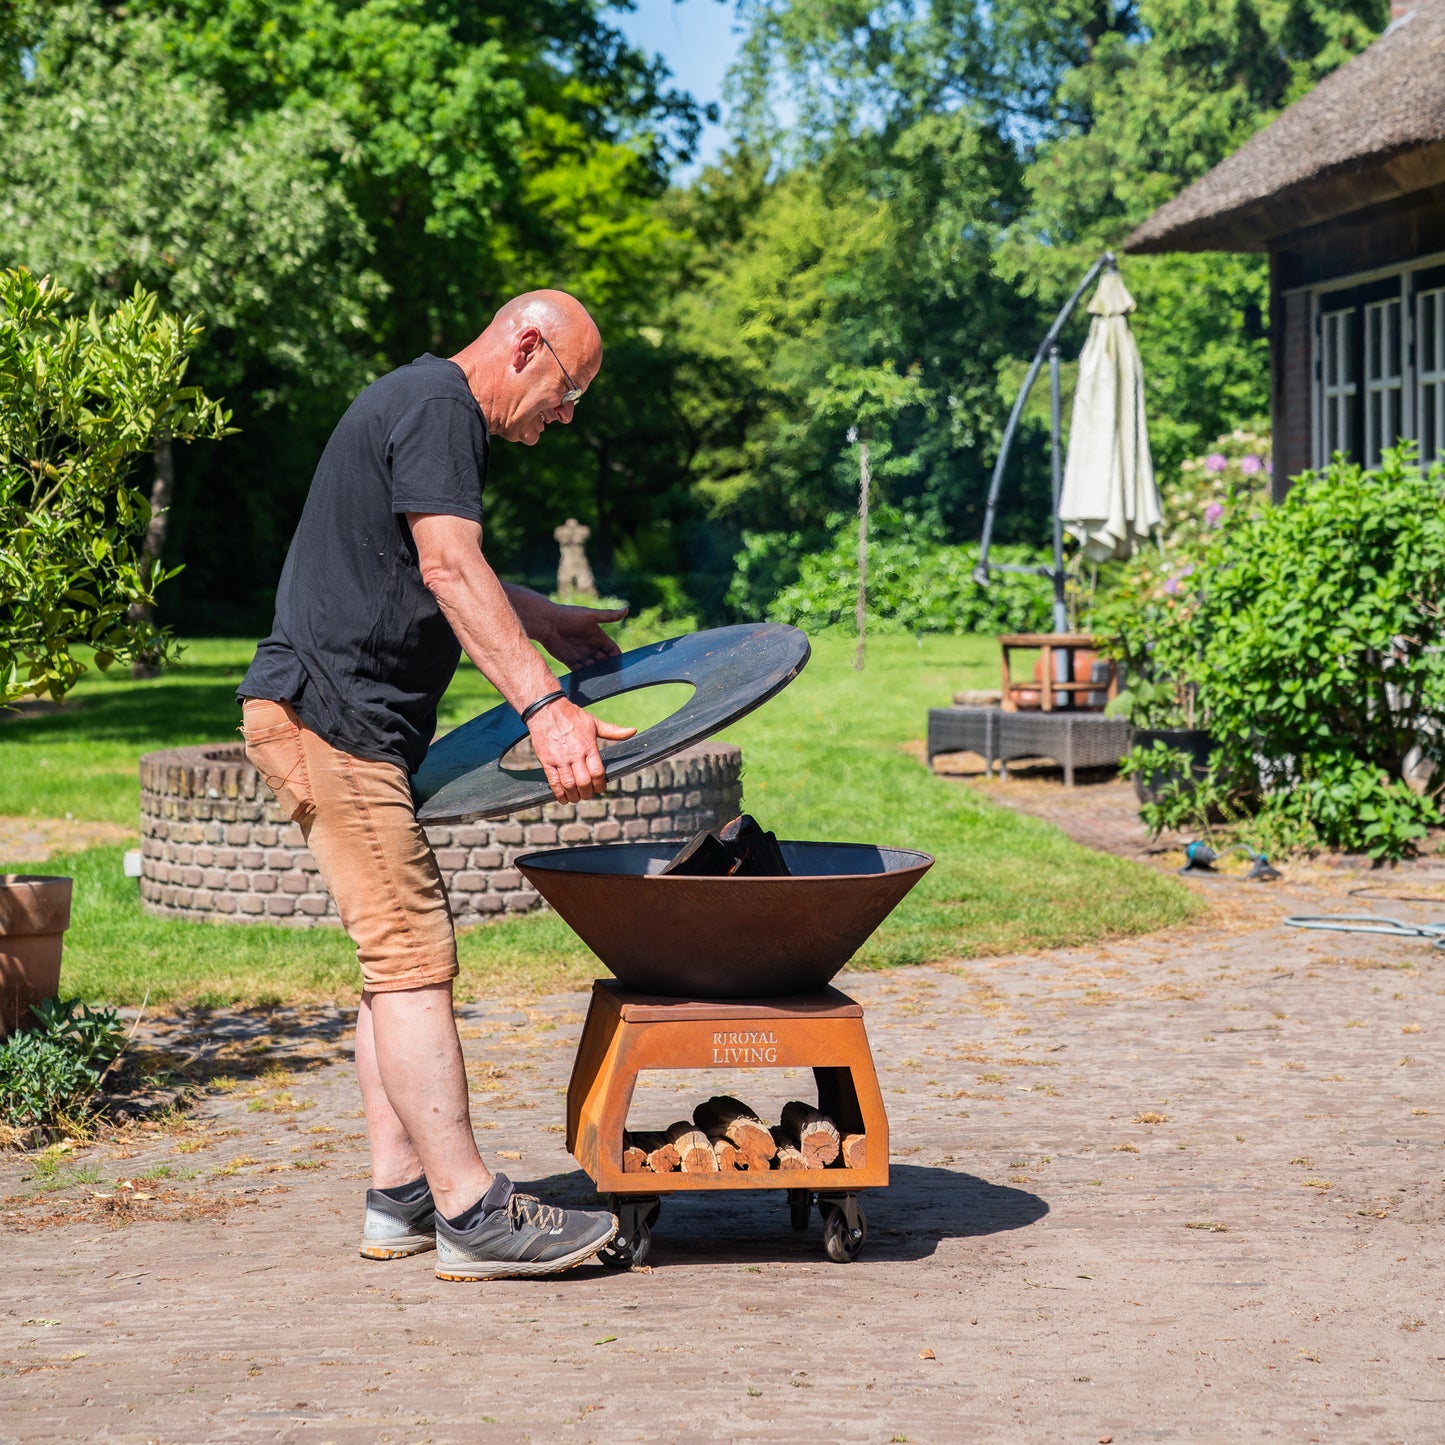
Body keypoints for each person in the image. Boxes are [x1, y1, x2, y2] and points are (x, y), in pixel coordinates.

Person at [237, 290, 634, 1281]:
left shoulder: (421, 402)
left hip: (326, 716)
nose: (567, 412)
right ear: (526, 342)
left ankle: (400, 1192)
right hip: (333, 719)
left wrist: (540, 615)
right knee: (413, 954)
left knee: (391, 958)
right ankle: (469, 1207)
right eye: (568, 387)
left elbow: (426, 560)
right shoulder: (443, 405)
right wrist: (547, 707)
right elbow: (448, 563)